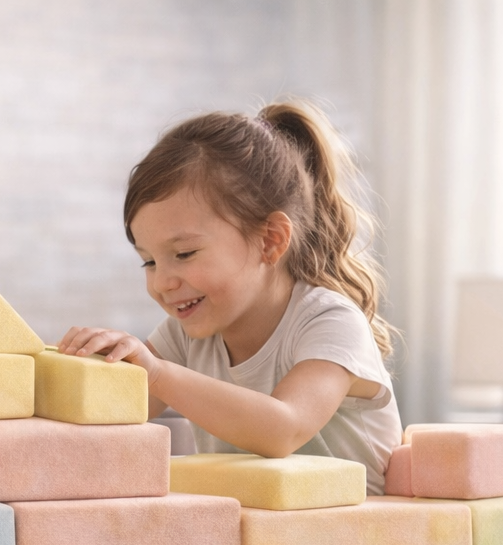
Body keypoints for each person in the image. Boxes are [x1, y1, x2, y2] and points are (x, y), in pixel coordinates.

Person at [57, 100, 403, 494]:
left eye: (184, 254)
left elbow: (283, 428)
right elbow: (108, 410)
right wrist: (72, 371)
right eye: (149, 262)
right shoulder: (185, 335)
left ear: (270, 241)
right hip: (250, 540)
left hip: (356, 541)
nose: (162, 282)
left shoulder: (329, 321)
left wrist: (154, 372)